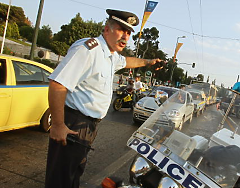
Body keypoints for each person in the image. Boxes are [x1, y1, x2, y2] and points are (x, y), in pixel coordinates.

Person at [45, 9, 162, 188]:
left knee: (73, 175)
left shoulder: (111, 55)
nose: (125, 36)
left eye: (129, 33)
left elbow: (128, 61)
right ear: (106, 29)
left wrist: (148, 62)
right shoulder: (88, 50)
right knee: (60, 180)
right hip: (73, 122)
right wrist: (59, 125)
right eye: (121, 30)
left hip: (88, 126)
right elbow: (57, 85)